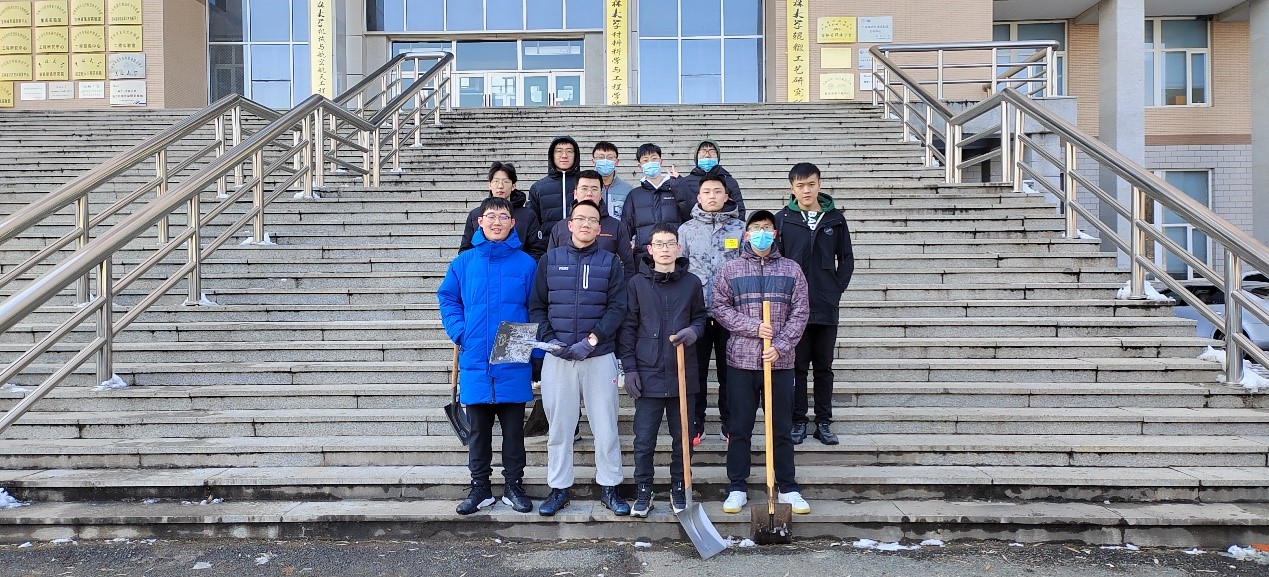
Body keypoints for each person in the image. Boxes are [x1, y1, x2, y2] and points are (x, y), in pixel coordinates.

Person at [528, 199, 631, 517]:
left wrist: (593, 339)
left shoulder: (610, 262)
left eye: (592, 220)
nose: (586, 224)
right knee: (560, 428)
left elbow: (618, 307)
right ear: (569, 225)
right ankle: (559, 488)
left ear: (600, 229)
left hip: (598, 356)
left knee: (606, 427)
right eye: (580, 219)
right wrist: (550, 340)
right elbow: (537, 306)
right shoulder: (550, 260)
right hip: (558, 358)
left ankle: (610, 486)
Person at [437, 197, 538, 515]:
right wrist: (460, 331)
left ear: (513, 223)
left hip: (513, 355)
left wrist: (531, 348)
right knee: (478, 432)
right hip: (476, 355)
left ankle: (513, 486)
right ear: (479, 222)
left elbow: (536, 306)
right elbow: (447, 298)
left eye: (503, 216)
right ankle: (479, 488)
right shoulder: (464, 262)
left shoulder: (526, 264)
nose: (497, 221)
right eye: (490, 216)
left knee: (513, 432)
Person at [712, 210, 811, 516]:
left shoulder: (791, 270)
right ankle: (737, 486)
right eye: (756, 228)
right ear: (746, 234)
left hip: (779, 364)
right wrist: (754, 327)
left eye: (767, 228)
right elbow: (720, 307)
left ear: (775, 233)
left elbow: (801, 312)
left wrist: (780, 346)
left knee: (780, 428)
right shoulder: (731, 269)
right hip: (741, 362)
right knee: (739, 427)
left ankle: (788, 486)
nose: (761, 234)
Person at [619, 223, 707, 517]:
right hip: (648, 372)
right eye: (659, 244)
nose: (665, 249)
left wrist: (694, 331)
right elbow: (628, 327)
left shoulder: (692, 283)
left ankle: (679, 486)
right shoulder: (636, 284)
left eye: (670, 243)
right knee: (644, 440)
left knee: (683, 438)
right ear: (650, 249)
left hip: (683, 372)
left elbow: (700, 318)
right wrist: (629, 368)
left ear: (678, 248)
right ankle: (644, 489)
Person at [773, 162, 855, 446]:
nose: (806, 190)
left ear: (819, 184)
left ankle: (823, 422)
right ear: (791, 188)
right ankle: (798, 420)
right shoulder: (782, 219)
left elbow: (846, 259)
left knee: (823, 367)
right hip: (793, 309)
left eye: (811, 184)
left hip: (825, 305)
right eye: (800, 186)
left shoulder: (835, 219)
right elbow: (776, 261)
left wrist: (835, 290)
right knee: (796, 367)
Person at [677, 175, 745, 445]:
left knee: (731, 372)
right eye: (707, 192)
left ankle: (730, 424)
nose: (712, 196)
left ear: (727, 196)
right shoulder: (686, 230)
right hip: (698, 314)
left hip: (732, 313)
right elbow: (680, 269)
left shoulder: (740, 229)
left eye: (718, 191)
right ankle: (696, 422)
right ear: (699, 197)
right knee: (697, 371)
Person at [546, 169, 636, 281]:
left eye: (594, 189)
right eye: (584, 188)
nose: (589, 193)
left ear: (601, 194)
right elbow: (550, 264)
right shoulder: (560, 228)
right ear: (575, 193)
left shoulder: (616, 227)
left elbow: (628, 266)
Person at [459, 162, 546, 259]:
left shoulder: (527, 215)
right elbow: (465, 250)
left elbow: (537, 251)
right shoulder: (475, 215)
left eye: (506, 181)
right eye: (496, 181)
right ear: (490, 185)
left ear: (513, 186)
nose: (500, 186)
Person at [621, 143, 692, 257]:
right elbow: (626, 228)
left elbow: (690, 214)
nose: (650, 163)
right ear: (640, 166)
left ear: (661, 161)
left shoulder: (675, 188)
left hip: (672, 253)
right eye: (645, 160)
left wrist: (679, 185)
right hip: (643, 255)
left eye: (654, 159)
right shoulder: (634, 195)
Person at [673, 140, 746, 219]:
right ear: (696, 156)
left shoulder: (729, 181)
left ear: (717, 157)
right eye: (703, 151)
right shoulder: (686, 182)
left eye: (712, 151)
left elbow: (740, 211)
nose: (707, 155)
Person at [527, 136, 581, 234]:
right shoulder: (538, 188)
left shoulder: (584, 184)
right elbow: (532, 223)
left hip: (580, 242)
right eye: (559, 151)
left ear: (575, 155)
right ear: (552, 155)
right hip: (548, 242)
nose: (564, 155)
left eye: (569, 151)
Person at [592, 141, 635, 220]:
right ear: (593, 161)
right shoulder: (587, 187)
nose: (605, 161)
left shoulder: (628, 189)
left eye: (610, 158)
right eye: (601, 157)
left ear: (617, 162)